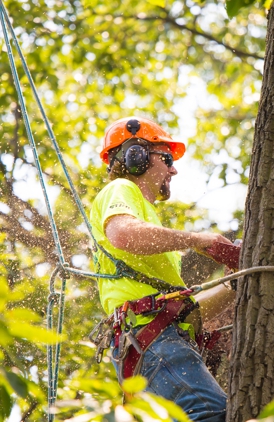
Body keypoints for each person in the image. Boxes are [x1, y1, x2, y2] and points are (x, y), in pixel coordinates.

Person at [90, 116, 235, 421]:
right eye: (166, 157)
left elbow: (186, 311)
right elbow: (124, 233)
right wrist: (198, 241)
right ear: (136, 156)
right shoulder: (120, 189)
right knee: (211, 412)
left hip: (157, 341)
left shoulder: (149, 220)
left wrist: (234, 283)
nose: (174, 169)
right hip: (153, 340)